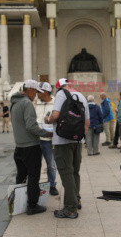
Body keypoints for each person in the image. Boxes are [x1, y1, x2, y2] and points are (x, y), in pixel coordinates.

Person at [44, 78, 90, 219]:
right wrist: (80, 138)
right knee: (75, 172)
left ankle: (70, 208)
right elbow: (87, 122)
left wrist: (47, 120)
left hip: (62, 141)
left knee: (66, 173)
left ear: (58, 87)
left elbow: (56, 115)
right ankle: (77, 199)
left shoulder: (61, 94)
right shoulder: (81, 96)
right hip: (77, 140)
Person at [10, 79, 53, 215]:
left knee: (21, 176)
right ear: (29, 90)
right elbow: (30, 125)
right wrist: (47, 133)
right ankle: (32, 205)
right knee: (34, 176)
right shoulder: (27, 103)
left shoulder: (14, 103)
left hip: (19, 146)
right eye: (35, 91)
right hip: (30, 146)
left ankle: (17, 203)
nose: (36, 95)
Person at [34, 82, 59, 196]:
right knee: (35, 165)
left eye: (39, 92)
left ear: (46, 92)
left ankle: (52, 185)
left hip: (49, 140)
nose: (37, 94)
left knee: (51, 164)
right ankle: (35, 185)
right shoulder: (36, 103)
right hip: (36, 138)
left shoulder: (56, 104)